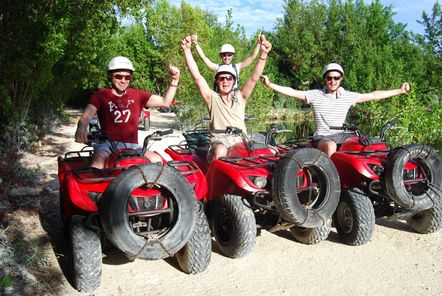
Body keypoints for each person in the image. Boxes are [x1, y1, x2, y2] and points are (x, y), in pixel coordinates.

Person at [261, 62, 410, 156]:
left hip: (343, 135)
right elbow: (292, 92)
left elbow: (374, 95)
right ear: (325, 79)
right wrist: (270, 85)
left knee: (368, 143)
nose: (333, 81)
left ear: (341, 79)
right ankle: (331, 182)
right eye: (329, 78)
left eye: (336, 78)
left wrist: (399, 91)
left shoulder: (347, 96)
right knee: (331, 146)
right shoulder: (315, 95)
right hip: (322, 137)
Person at [75, 56, 180, 168]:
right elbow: (87, 116)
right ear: (110, 76)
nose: (123, 80)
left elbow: (165, 102)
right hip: (106, 145)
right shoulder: (100, 96)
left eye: (127, 77)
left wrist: (175, 79)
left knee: (157, 161)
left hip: (133, 146)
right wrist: (81, 128)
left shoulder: (138, 95)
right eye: (118, 76)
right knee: (98, 164)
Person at [180, 34, 271, 161]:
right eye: (221, 78)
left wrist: (263, 55)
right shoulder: (212, 98)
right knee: (221, 150)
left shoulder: (241, 96)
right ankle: (214, 180)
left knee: (264, 152)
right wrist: (187, 51)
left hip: (239, 142)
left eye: (229, 78)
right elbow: (197, 77)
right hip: (218, 143)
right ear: (217, 81)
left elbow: (254, 78)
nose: (225, 81)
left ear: (234, 81)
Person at [191, 32, 262, 90]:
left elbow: (252, 57)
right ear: (221, 56)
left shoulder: (237, 67)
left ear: (233, 55)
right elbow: (204, 57)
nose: (227, 57)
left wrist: (259, 44)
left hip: (233, 100)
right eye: (224, 55)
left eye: (229, 55)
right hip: (219, 100)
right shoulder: (216, 68)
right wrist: (196, 43)